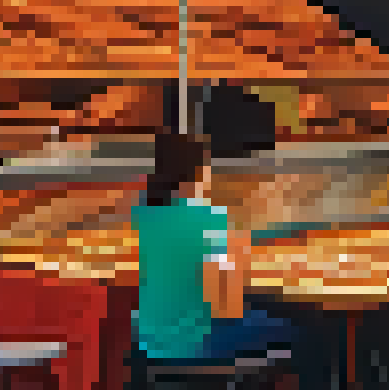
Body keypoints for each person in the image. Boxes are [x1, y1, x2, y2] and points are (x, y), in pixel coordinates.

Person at [130, 130, 308, 375]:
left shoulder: (145, 218)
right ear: (199, 173)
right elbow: (227, 306)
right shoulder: (211, 220)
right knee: (306, 332)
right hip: (197, 344)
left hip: (150, 342)